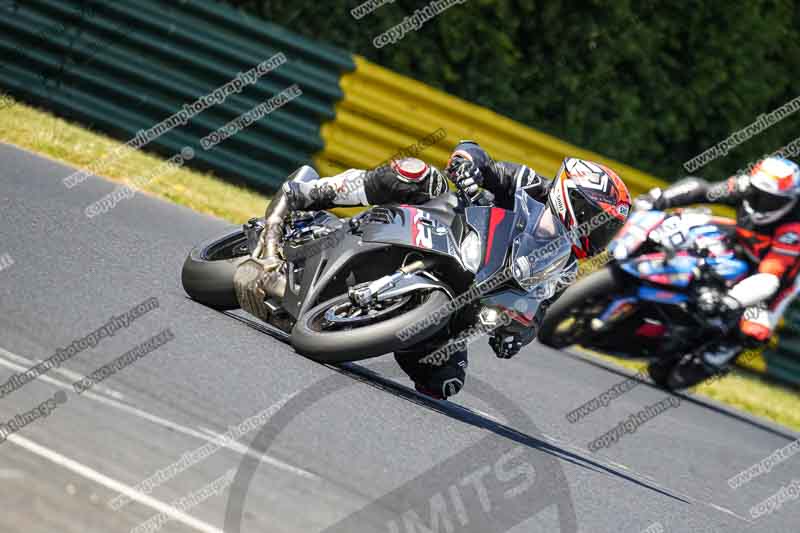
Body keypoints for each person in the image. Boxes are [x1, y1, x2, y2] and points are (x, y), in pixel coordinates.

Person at [236, 141, 631, 398]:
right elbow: (476, 155)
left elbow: (538, 313)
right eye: (596, 219)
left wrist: (518, 334)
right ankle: (304, 195)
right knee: (413, 172)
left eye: (608, 228)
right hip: (448, 232)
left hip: (470, 300)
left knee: (444, 383)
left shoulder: (564, 268)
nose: (598, 232)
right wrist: (467, 166)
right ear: (572, 198)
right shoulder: (529, 184)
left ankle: (364, 320)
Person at [635, 156, 800, 367]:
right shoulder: (743, 186)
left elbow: (773, 269)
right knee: (684, 223)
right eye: (757, 194)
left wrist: (730, 301)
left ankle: (721, 351)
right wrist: (659, 199)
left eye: (772, 199)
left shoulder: (794, 227)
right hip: (740, 241)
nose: (762, 201)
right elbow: (703, 190)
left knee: (754, 331)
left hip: (775, 280)